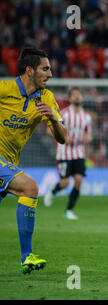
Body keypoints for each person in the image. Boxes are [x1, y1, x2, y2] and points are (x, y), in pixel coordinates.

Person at [0, 47, 67, 273]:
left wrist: (53, 119)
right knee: (30, 188)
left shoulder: (46, 97)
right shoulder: (4, 89)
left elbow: (63, 138)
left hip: (8, 162)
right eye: (45, 69)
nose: (50, 74)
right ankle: (27, 256)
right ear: (30, 70)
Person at [44, 87, 92, 220]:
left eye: (79, 94)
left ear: (82, 98)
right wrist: (64, 137)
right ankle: (53, 191)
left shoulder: (87, 117)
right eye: (74, 95)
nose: (77, 96)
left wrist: (85, 138)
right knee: (65, 183)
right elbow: (49, 130)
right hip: (64, 154)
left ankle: (68, 211)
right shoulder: (63, 114)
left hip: (79, 154)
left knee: (78, 180)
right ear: (69, 98)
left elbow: (89, 136)